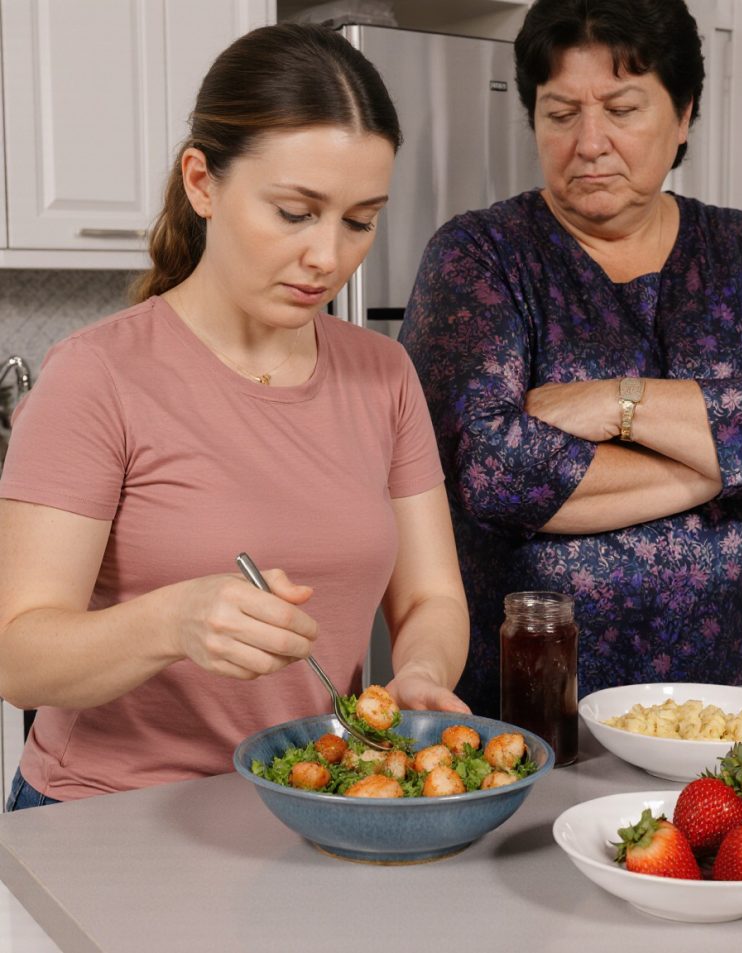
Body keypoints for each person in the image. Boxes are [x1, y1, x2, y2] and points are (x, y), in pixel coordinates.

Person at [0, 23, 470, 809]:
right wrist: (173, 621)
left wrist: (421, 671)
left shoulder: (384, 374)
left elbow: (431, 598)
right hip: (109, 814)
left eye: (360, 220)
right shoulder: (97, 374)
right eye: (294, 211)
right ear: (202, 183)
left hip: (312, 801)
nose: (328, 256)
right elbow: (18, 657)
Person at [399, 0, 742, 719]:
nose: (590, 143)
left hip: (722, 716)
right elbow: (491, 472)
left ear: (684, 113)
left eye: (622, 109)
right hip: (528, 722)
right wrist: (734, 462)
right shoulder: (480, 254)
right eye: (561, 113)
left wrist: (613, 402)